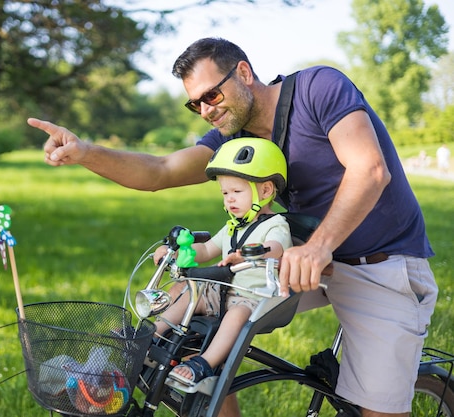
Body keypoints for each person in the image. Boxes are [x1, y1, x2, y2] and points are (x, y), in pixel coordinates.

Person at [28, 38, 438, 417]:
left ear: (243, 73)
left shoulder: (319, 88)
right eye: (195, 104)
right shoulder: (234, 136)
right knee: (189, 323)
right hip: (290, 258)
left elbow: (369, 169)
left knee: (379, 410)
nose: (206, 109)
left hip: (379, 263)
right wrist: (84, 152)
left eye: (212, 94)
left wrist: (318, 247)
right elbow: (161, 169)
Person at [152, 138, 293, 386]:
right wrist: (174, 252)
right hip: (224, 291)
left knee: (236, 315)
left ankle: (205, 362)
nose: (229, 200)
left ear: (266, 190)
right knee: (187, 291)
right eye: (225, 193)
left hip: (255, 298)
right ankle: (153, 334)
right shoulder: (232, 227)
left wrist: (251, 253)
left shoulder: (275, 225)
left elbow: (277, 249)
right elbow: (206, 248)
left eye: (237, 192)